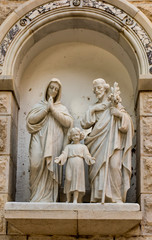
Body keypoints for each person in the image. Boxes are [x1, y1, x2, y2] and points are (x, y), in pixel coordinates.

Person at [81, 78, 134, 203]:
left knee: (114, 165)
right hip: (96, 144)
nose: (96, 91)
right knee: (98, 168)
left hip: (113, 142)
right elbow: (84, 124)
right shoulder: (93, 107)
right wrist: (94, 109)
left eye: (99, 88)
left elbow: (128, 124)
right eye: (94, 89)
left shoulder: (114, 104)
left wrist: (118, 114)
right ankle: (98, 197)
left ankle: (116, 197)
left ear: (105, 89)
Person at [26, 78, 73, 202]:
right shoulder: (39, 106)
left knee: (51, 165)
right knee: (35, 163)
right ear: (47, 88)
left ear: (58, 92)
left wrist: (53, 109)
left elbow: (68, 123)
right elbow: (31, 120)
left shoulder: (61, 108)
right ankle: (36, 196)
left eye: (56, 89)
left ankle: (49, 198)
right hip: (38, 138)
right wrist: (46, 108)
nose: (53, 90)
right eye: (51, 87)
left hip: (54, 141)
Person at [55, 127, 95, 203]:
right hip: (70, 164)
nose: (75, 137)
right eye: (73, 135)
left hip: (79, 165)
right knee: (68, 179)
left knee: (77, 181)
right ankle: (68, 198)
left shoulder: (83, 147)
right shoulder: (68, 147)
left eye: (77, 135)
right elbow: (64, 154)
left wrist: (90, 159)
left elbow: (87, 155)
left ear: (80, 136)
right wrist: (59, 159)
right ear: (71, 137)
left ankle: (75, 199)